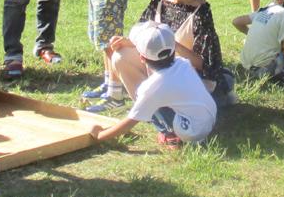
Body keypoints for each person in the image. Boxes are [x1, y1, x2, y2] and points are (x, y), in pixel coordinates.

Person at [129, 0, 231, 102]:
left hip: (187, 78)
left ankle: (164, 112)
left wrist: (170, 42)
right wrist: (129, 42)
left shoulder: (200, 12)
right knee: (120, 56)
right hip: (158, 69)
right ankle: (148, 108)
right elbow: (142, 26)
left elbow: (207, 65)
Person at [89, 21, 216, 149]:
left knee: (149, 102)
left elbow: (131, 121)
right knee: (161, 98)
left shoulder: (151, 87)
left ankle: (170, 135)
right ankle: (180, 132)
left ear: (142, 58)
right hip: (210, 119)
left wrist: (100, 135)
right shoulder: (183, 63)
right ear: (173, 51)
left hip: (190, 132)